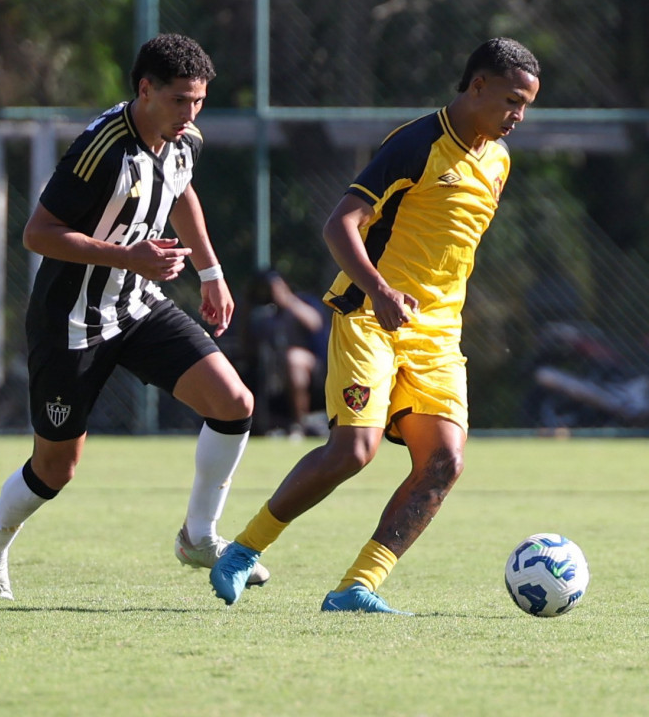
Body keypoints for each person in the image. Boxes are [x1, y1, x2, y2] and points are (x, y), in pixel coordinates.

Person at [209, 38, 540, 613]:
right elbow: (341, 224)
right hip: (370, 313)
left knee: (444, 462)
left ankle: (356, 588)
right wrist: (381, 290)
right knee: (352, 451)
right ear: (477, 86)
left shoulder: (499, 162)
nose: (518, 116)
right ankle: (243, 550)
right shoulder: (416, 144)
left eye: (527, 106)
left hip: (437, 335)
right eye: (512, 100)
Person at [0, 33, 269, 599]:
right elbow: (38, 234)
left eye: (199, 100)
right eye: (180, 100)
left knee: (234, 403)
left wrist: (211, 272)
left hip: (136, 305)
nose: (191, 113)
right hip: (72, 322)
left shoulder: (184, 141)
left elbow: (181, 192)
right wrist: (127, 255)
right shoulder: (100, 149)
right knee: (56, 469)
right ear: (145, 89)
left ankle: (199, 537)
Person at [240, 269, 330, 436]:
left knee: (293, 358)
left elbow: (316, 324)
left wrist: (286, 299)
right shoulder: (260, 312)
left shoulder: (302, 301)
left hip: (316, 370)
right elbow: (246, 347)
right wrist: (248, 305)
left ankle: (299, 425)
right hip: (271, 371)